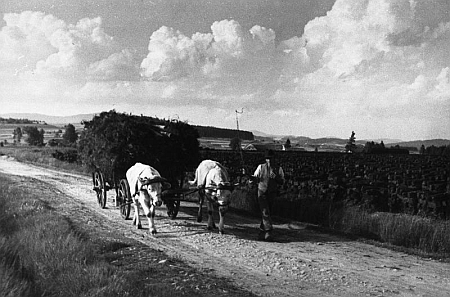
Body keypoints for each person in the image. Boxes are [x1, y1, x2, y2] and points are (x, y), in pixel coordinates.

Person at [252, 149, 285, 241]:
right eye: (267, 158)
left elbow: (282, 181)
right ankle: (269, 231)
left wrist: (276, 177)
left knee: (267, 212)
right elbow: (255, 178)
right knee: (265, 212)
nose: (269, 160)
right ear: (265, 159)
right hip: (262, 192)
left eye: (270, 158)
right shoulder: (260, 167)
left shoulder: (279, 169)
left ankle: (261, 232)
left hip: (272, 193)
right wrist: (251, 179)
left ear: (274, 159)